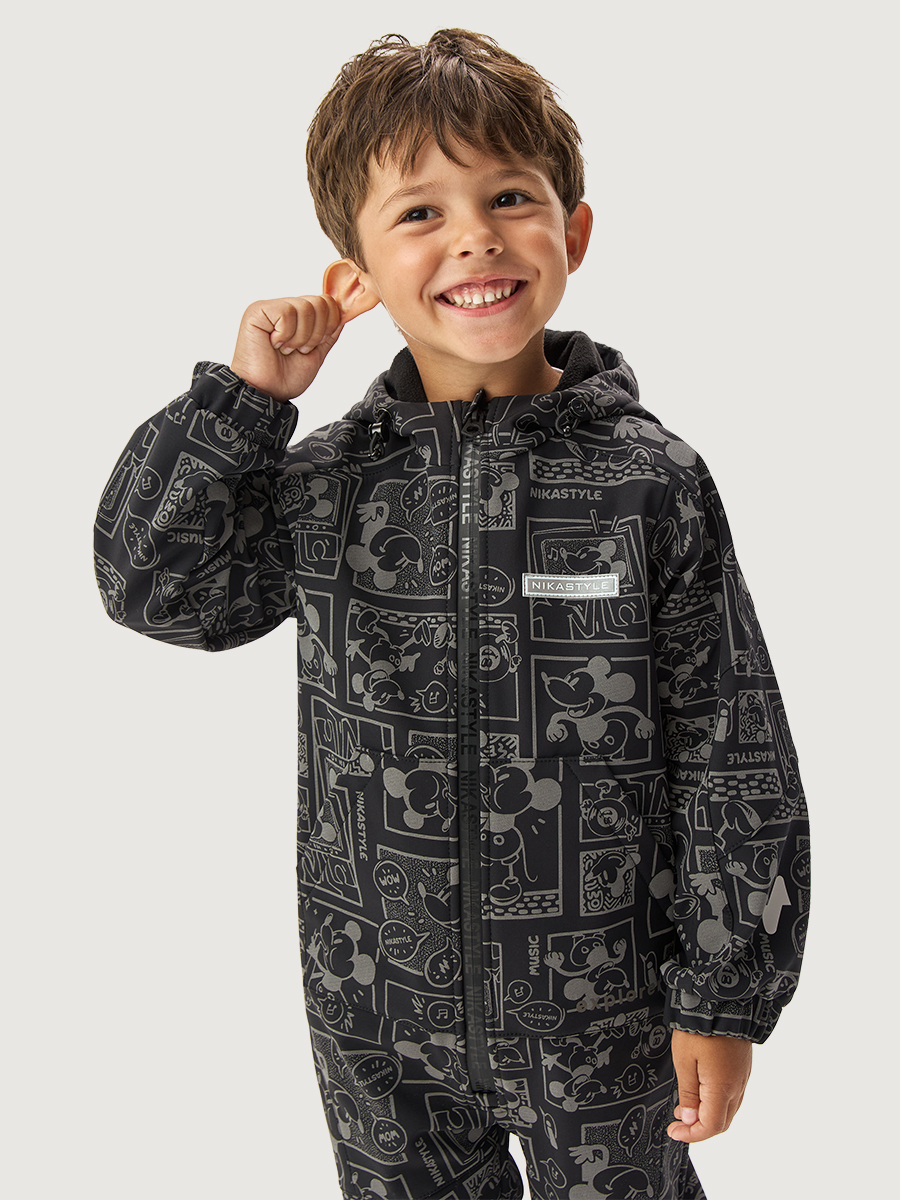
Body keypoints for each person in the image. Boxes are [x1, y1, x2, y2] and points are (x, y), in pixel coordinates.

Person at [94, 29, 810, 1200]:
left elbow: (732, 745)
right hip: (377, 1012)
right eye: (420, 212)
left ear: (574, 232)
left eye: (510, 197)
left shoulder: (649, 482)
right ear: (357, 275)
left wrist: (725, 997)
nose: (475, 234)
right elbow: (157, 588)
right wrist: (244, 404)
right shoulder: (327, 484)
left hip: (608, 1013)